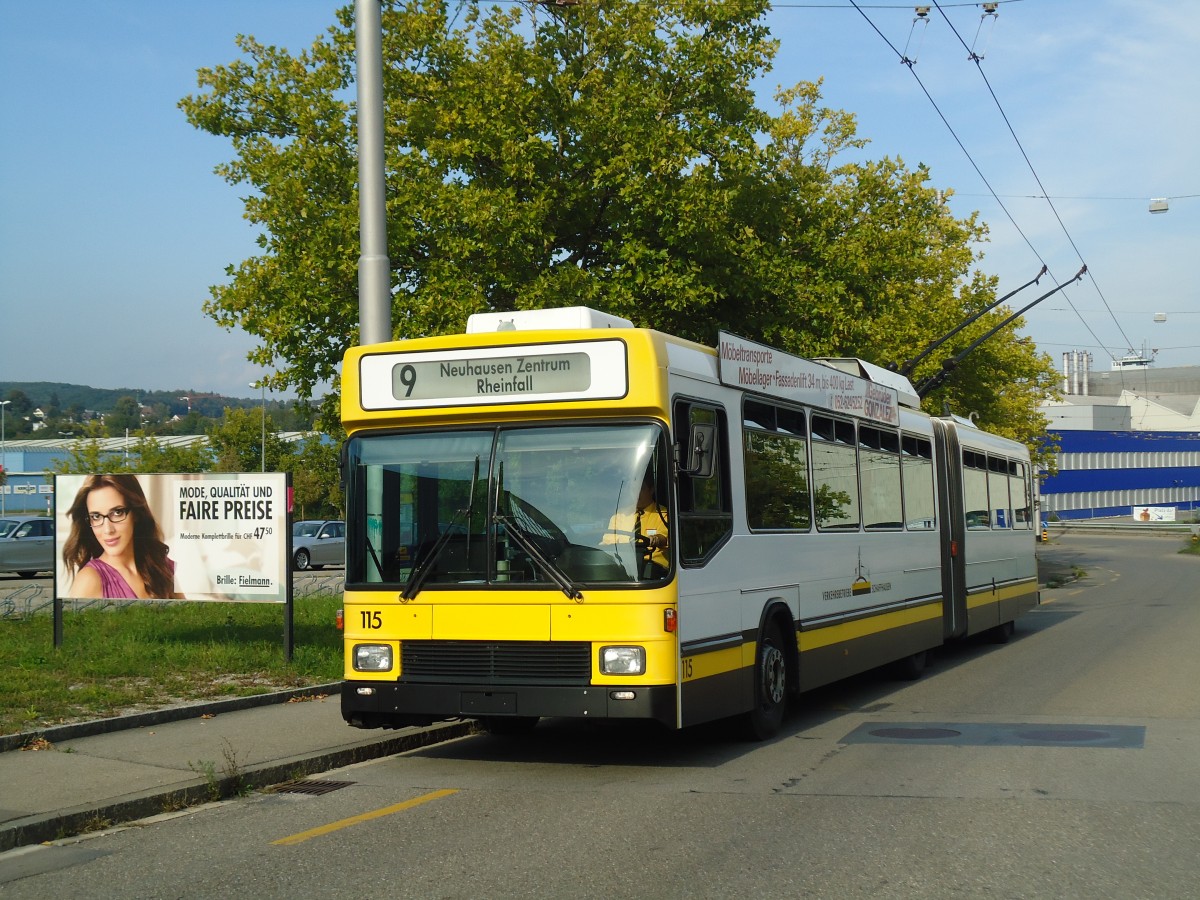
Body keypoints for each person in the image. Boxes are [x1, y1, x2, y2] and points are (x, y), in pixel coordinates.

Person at [62, 474, 179, 599]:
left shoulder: (160, 566)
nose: (108, 530)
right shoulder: (89, 580)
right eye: (96, 516)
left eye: (117, 512)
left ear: (136, 514)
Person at [603, 471, 669, 578]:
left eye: (641, 488)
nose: (636, 493)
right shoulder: (619, 516)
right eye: (633, 489)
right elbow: (607, 545)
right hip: (621, 569)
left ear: (651, 490)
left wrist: (656, 539)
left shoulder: (663, 514)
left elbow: (664, 537)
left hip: (653, 572)